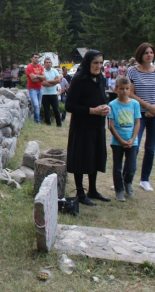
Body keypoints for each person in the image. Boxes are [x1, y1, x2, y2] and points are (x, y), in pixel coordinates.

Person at [65, 50, 111, 206]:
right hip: (81, 127)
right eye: (95, 63)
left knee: (95, 156)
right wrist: (93, 111)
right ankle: (80, 192)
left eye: (100, 63)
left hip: (97, 126)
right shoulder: (79, 79)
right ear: (88, 63)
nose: (98, 66)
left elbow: (101, 98)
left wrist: (106, 108)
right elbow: (69, 105)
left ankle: (93, 190)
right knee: (80, 158)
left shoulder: (100, 79)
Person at [127, 42, 155, 192]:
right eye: (146, 53)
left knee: (150, 148)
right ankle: (127, 178)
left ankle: (145, 179)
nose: (149, 55)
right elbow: (130, 93)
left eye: (151, 52)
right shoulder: (132, 71)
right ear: (140, 55)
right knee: (133, 146)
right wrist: (147, 106)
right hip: (139, 113)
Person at [108, 76, 141, 201]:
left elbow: (137, 122)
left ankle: (128, 183)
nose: (124, 91)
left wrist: (133, 139)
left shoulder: (135, 104)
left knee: (131, 166)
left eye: (127, 88)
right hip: (117, 142)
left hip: (132, 141)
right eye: (121, 89)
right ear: (116, 89)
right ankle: (119, 189)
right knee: (117, 167)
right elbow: (110, 125)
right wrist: (120, 140)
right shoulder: (112, 104)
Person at [41, 58, 62, 127]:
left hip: (53, 94)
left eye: (49, 62)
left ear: (51, 63)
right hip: (45, 94)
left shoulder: (54, 71)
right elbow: (43, 83)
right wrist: (53, 82)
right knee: (46, 110)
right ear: (44, 63)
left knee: (56, 110)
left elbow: (58, 80)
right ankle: (48, 124)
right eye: (46, 62)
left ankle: (59, 124)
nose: (48, 63)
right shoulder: (42, 71)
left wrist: (48, 82)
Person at [26, 53, 45, 124]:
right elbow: (32, 79)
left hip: (40, 88)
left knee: (39, 105)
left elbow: (45, 77)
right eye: (35, 57)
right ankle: (37, 121)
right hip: (32, 89)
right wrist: (40, 77)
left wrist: (37, 76)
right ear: (31, 58)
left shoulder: (40, 67)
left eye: (37, 57)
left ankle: (36, 120)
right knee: (36, 105)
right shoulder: (29, 67)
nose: (37, 59)